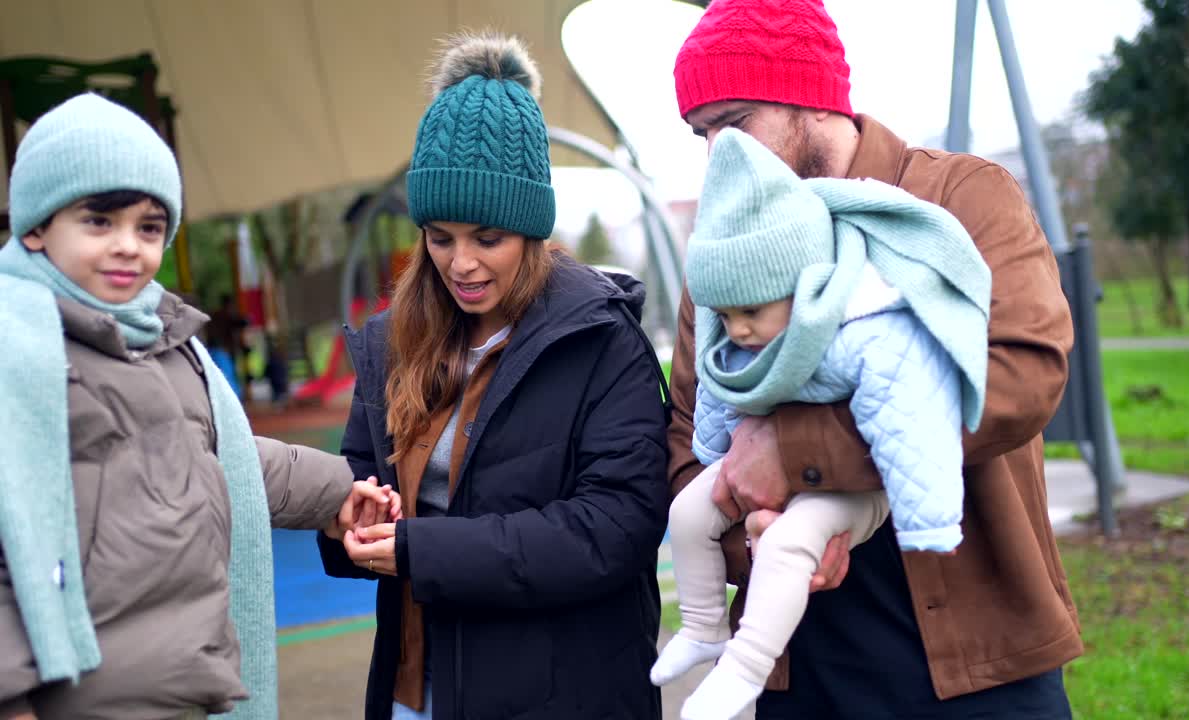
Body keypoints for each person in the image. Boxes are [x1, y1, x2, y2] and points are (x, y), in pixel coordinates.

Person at [666, 1, 1082, 718]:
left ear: (811, 100)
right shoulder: (725, 251)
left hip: (983, 676)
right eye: (701, 135)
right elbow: (685, 438)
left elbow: (1022, 370)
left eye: (733, 126)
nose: (718, 159)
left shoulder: (962, 198)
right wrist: (753, 540)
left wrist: (797, 454)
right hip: (804, 675)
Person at [0, 93, 400, 720]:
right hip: (78, 696)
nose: (129, 245)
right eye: (99, 222)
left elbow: (225, 452)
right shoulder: (16, 355)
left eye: (149, 226)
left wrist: (336, 493)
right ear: (36, 226)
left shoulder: (165, 342)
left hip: (192, 684)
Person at [316, 32, 670, 720]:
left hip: (564, 694)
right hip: (416, 689)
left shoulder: (600, 337)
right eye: (440, 237)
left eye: (487, 238)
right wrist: (347, 522)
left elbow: (615, 528)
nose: (461, 264)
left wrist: (424, 548)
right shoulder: (392, 341)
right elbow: (361, 478)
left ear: (532, 230)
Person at [653, 129, 992, 720]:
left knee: (788, 543)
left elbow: (911, 414)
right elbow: (712, 396)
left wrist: (926, 518)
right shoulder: (744, 324)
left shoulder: (864, 329)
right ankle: (705, 626)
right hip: (787, 489)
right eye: (725, 316)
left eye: (750, 313)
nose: (736, 330)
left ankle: (744, 666)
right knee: (687, 512)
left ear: (798, 283)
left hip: (862, 489)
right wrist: (717, 464)